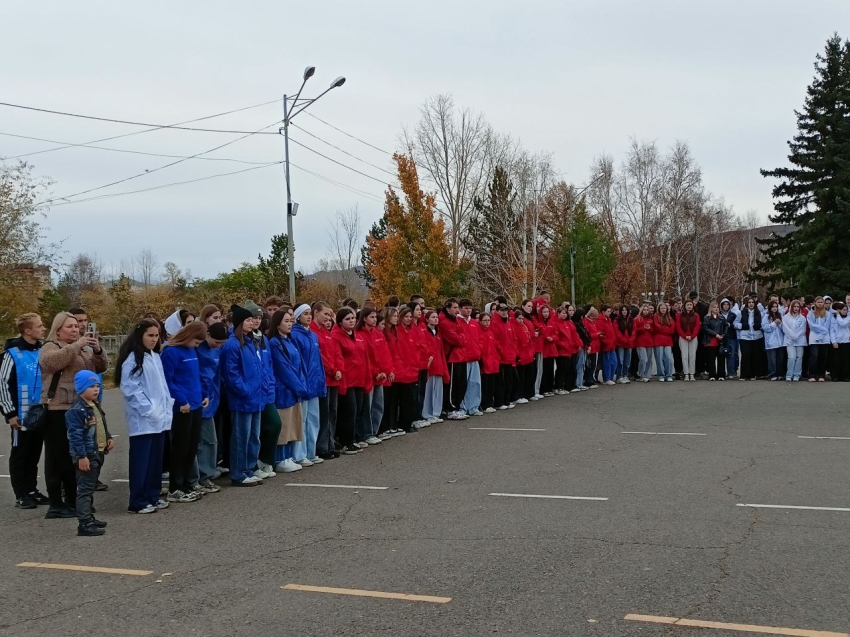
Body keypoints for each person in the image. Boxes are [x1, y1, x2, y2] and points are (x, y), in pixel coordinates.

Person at [39, 312, 109, 519]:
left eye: (76, 326)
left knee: (77, 457)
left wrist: (96, 350)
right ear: (58, 329)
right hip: (58, 408)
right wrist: (77, 345)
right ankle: (56, 504)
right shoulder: (50, 346)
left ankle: (74, 500)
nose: (75, 329)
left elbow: (102, 367)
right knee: (58, 458)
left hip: (82, 407)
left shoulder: (84, 348)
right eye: (69, 326)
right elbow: (52, 363)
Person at [116, 319, 173, 514]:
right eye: (150, 335)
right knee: (142, 461)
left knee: (156, 461)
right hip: (144, 419)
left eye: (156, 336)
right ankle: (138, 500)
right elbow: (130, 388)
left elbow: (162, 386)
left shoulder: (155, 356)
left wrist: (165, 407)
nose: (154, 339)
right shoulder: (133, 358)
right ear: (140, 335)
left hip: (159, 419)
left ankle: (152, 495)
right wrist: (148, 409)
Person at [2, 313, 48, 509]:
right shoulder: (11, 353)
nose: (43, 328)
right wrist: (10, 413)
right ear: (28, 330)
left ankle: (31, 490)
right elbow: (2, 384)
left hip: (40, 414)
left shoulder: (43, 350)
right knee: (21, 455)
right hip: (21, 417)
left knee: (34, 454)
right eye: (39, 326)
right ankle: (21, 493)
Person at [161, 322, 208, 502]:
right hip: (182, 406)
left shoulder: (191, 351)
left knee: (191, 447)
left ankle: (187, 484)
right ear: (189, 336)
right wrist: (181, 399)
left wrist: (204, 394)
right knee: (180, 448)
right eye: (196, 342)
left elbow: (195, 377)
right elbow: (168, 380)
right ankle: (175, 487)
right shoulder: (171, 352)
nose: (197, 346)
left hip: (195, 404)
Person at [220, 305, 265, 487]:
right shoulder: (232, 345)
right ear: (239, 323)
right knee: (241, 436)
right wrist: (245, 391)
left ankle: (249, 468)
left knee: (254, 436)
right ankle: (238, 473)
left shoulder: (249, 342)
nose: (251, 322)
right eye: (247, 320)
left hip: (255, 397)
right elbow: (232, 374)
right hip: (243, 399)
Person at [65, 370, 114, 536]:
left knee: (90, 487)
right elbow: (75, 436)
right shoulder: (77, 410)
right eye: (91, 386)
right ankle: (84, 523)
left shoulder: (95, 405)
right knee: (85, 490)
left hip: (97, 452)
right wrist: (81, 456)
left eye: (98, 386)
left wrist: (108, 437)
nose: (96, 389)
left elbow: (100, 424)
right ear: (80, 388)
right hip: (87, 455)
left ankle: (89, 517)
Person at [268, 309, 308, 472]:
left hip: (294, 390)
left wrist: (302, 385)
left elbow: (299, 365)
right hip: (284, 389)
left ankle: (288, 456)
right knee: (284, 426)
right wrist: (299, 387)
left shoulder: (289, 341)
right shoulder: (275, 343)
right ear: (277, 324)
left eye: (291, 321)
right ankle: (280, 458)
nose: (290, 324)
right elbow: (284, 368)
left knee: (293, 425)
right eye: (286, 321)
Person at [292, 304, 329, 459]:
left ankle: (310, 452)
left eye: (309, 314)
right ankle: (300, 455)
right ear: (298, 316)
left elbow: (318, 361)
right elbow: (298, 363)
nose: (308, 316)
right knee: (303, 420)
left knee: (313, 420)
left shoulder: (313, 335)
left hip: (315, 384)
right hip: (304, 385)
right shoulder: (295, 335)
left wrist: (321, 381)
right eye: (305, 314)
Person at [194, 321, 227, 492]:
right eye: (216, 342)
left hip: (212, 397)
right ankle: (201, 476)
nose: (218, 346)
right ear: (207, 335)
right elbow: (200, 376)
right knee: (204, 440)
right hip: (200, 398)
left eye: (221, 344)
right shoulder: (199, 350)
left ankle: (206, 473)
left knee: (210, 440)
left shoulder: (216, 350)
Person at [333, 307, 371, 452]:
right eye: (347, 319)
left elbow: (364, 358)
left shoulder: (358, 336)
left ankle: (353, 438)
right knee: (349, 411)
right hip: (347, 380)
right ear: (340, 322)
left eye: (353, 318)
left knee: (358, 410)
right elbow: (338, 357)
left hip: (359, 378)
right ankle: (345, 441)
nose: (351, 321)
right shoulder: (336, 336)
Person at [311, 302, 343, 460]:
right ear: (316, 313)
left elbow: (336, 352)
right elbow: (320, 356)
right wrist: (332, 370)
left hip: (334, 378)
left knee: (332, 412)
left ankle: (329, 444)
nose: (328, 318)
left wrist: (338, 369)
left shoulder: (327, 332)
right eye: (325, 314)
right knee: (324, 413)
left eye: (330, 315)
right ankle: (322, 446)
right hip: (325, 378)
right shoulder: (314, 332)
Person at [439, 298, 469, 420]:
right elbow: (454, 339)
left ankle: (456, 406)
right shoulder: (444, 322)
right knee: (452, 385)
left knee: (461, 384)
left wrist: (461, 338)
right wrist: (460, 338)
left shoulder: (455, 320)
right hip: (451, 356)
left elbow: (464, 335)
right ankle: (450, 408)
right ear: (448, 308)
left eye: (457, 307)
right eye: (455, 307)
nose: (457, 310)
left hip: (460, 355)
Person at [422, 310, 449, 421]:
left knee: (437, 392)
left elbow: (441, 352)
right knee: (428, 392)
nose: (436, 319)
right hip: (430, 366)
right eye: (433, 317)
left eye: (436, 317)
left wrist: (444, 367)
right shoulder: (425, 332)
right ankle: (427, 414)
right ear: (427, 319)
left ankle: (435, 413)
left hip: (438, 365)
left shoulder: (438, 333)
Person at [458, 299, 484, 415]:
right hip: (463, 358)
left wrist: (479, 352)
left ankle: (473, 407)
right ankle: (462, 407)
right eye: (465, 308)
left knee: (475, 383)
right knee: (463, 384)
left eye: (470, 308)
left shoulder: (474, 323)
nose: (468, 310)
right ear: (460, 308)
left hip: (474, 357)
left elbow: (479, 339)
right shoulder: (457, 321)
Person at [491, 304, 517, 409]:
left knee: (508, 380)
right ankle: (499, 402)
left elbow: (513, 339)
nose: (504, 312)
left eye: (506, 310)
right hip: (500, 358)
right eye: (501, 310)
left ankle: (506, 400)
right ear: (497, 311)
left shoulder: (508, 322)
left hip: (509, 357)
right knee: (500, 382)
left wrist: (513, 352)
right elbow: (496, 341)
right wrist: (502, 352)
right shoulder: (494, 323)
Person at [734, 297, 766, 381]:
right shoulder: (741, 313)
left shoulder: (759, 313)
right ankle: (744, 374)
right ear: (746, 304)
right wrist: (742, 326)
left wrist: (760, 326)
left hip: (757, 337)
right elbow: (735, 323)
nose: (751, 304)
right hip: (745, 337)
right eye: (749, 302)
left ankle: (753, 374)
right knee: (745, 355)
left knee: (755, 356)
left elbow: (764, 324)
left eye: (752, 302)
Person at [807, 296, 832, 382]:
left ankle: (821, 375)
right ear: (815, 303)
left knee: (823, 357)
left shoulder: (828, 314)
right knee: (814, 356)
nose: (820, 304)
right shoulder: (811, 313)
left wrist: (821, 334)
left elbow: (827, 325)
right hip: (814, 338)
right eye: (818, 302)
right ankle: (812, 375)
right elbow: (812, 326)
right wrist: (820, 331)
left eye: (822, 302)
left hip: (824, 338)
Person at [478, 313, 499, 412]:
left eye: (488, 320)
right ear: (480, 321)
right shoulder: (480, 333)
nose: (487, 322)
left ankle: (490, 403)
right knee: (485, 384)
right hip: (485, 362)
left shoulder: (490, 333)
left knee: (491, 384)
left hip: (493, 362)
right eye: (485, 320)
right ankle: (484, 404)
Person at [701, 301, 727, 381]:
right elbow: (706, 328)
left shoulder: (722, 318)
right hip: (711, 340)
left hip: (720, 340)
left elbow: (726, 327)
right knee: (711, 359)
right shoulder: (706, 318)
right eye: (714, 307)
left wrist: (723, 335)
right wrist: (715, 334)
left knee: (721, 358)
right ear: (711, 308)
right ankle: (712, 375)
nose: (716, 309)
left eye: (717, 307)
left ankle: (721, 375)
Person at [782, 300, 807, 381]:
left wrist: (796, 336)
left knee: (799, 357)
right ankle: (789, 374)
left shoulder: (802, 318)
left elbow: (802, 329)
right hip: (789, 340)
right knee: (791, 357)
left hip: (799, 340)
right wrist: (792, 336)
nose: (796, 308)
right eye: (794, 306)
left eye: (797, 307)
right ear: (791, 307)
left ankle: (797, 374)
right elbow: (785, 329)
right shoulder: (786, 317)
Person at [676, 300, 701, 382]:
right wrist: (684, 336)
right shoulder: (679, 315)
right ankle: (686, 373)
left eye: (691, 304)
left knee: (692, 356)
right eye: (688, 305)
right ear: (684, 306)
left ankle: (692, 374)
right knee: (684, 356)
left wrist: (693, 336)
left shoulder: (696, 315)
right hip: (683, 337)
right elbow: (678, 327)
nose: (689, 306)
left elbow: (697, 326)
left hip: (693, 337)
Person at [762, 301, 786, 381]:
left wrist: (780, 324)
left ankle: (780, 374)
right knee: (772, 359)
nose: (775, 308)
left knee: (780, 359)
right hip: (771, 342)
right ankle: (772, 374)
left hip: (780, 342)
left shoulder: (781, 316)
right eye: (773, 307)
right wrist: (774, 323)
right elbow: (765, 328)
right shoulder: (766, 317)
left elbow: (784, 329)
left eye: (776, 306)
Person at [652, 302, 675, 382]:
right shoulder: (655, 316)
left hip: (668, 341)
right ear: (659, 309)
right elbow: (657, 327)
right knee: (659, 358)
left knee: (668, 358)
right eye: (662, 308)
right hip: (658, 340)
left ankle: (668, 374)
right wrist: (666, 329)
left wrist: (662, 328)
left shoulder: (669, 317)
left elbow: (672, 329)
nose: (663, 310)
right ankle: (661, 375)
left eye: (664, 308)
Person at [539, 306, 558, 395]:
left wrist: (552, 338)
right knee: (544, 370)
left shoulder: (551, 322)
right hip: (544, 349)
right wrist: (546, 337)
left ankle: (550, 388)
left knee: (550, 370)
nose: (546, 314)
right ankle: (544, 389)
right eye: (544, 312)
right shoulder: (539, 323)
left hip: (551, 349)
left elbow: (556, 334)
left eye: (547, 312)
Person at [633, 304, 655, 382]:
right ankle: (641, 374)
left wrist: (649, 329)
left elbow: (653, 331)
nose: (645, 311)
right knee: (643, 359)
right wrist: (643, 328)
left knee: (649, 359)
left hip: (649, 341)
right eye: (644, 310)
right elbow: (634, 330)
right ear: (641, 310)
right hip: (640, 342)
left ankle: (646, 374)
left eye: (647, 310)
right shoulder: (636, 319)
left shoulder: (650, 319)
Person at [829, 302, 850, 381]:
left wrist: (838, 315)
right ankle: (835, 376)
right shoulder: (833, 318)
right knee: (836, 361)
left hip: (846, 342)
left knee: (846, 361)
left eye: (846, 310)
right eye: (844, 310)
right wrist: (833, 341)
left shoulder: (848, 317)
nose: (845, 311)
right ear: (839, 310)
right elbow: (831, 330)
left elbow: (842, 323)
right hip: (837, 342)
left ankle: (845, 376)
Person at [719, 299, 739, 379]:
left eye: (727, 304)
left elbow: (736, 325)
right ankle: (721, 372)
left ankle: (731, 372)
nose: (726, 306)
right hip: (721, 337)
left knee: (732, 354)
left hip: (731, 336)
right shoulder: (719, 315)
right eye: (724, 304)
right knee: (722, 354)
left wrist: (730, 325)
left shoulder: (733, 315)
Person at [614, 305, 634, 384]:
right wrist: (623, 339)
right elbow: (617, 331)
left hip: (628, 343)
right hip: (620, 343)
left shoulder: (631, 320)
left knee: (627, 361)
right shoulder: (617, 320)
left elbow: (634, 330)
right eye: (623, 310)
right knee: (621, 360)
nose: (624, 311)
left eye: (626, 310)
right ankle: (619, 376)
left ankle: (625, 375)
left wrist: (630, 339)